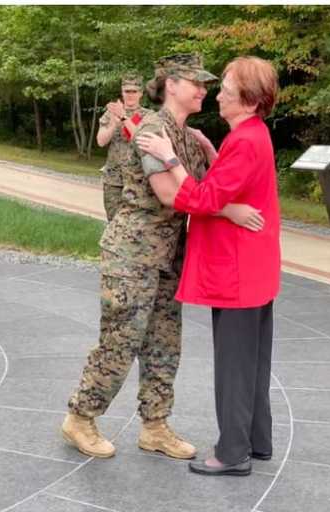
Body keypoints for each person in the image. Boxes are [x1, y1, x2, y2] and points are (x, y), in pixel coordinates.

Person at [62, 54, 220, 460]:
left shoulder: (187, 136)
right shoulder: (151, 129)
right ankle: (80, 417)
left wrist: (208, 150)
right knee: (122, 340)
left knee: (164, 343)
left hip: (168, 255)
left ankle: (155, 426)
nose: (203, 90)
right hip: (133, 252)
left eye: (205, 84)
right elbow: (170, 194)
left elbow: (213, 190)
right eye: (195, 83)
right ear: (171, 85)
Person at [135, 56, 280, 477]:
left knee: (234, 366)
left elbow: (200, 199)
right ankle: (257, 440)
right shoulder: (252, 134)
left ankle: (232, 453)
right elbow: (233, 182)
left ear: (249, 100)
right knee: (253, 362)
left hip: (237, 271)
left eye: (227, 90)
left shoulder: (245, 139)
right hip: (254, 270)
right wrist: (215, 155)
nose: (218, 96)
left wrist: (170, 158)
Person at [97, 73, 152, 220]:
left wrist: (123, 117)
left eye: (134, 91)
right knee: (113, 222)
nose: (130, 95)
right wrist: (113, 124)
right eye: (127, 91)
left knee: (137, 224)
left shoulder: (148, 116)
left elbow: (141, 138)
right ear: (122, 92)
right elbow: (101, 141)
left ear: (141, 93)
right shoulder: (111, 113)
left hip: (139, 180)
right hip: (114, 180)